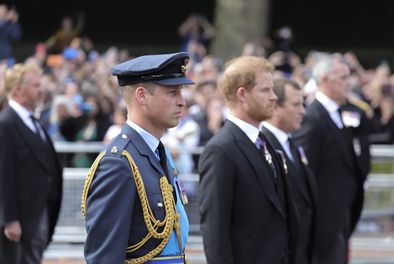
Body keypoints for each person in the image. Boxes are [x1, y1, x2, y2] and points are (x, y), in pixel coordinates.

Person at [82, 52, 194, 263]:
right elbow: (104, 257)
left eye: (181, 92)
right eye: (172, 92)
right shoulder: (119, 163)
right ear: (141, 96)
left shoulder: (158, 152)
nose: (182, 102)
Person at [198, 56, 299, 264]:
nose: (273, 97)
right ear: (242, 94)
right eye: (265, 90)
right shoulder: (221, 150)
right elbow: (215, 232)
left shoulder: (264, 143)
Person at [292, 56, 365, 264]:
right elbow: (302, 174)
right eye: (343, 77)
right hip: (322, 224)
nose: (348, 82)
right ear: (325, 79)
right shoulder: (313, 117)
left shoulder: (336, 113)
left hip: (339, 216)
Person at [0, 63, 63, 263]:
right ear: (18, 88)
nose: (41, 90)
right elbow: (4, 174)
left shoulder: (33, 121)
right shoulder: (6, 123)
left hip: (38, 214)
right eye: (35, 85)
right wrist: (9, 220)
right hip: (20, 219)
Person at [261, 78, 318, 264]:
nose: (302, 111)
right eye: (296, 105)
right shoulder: (263, 146)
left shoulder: (290, 144)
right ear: (275, 107)